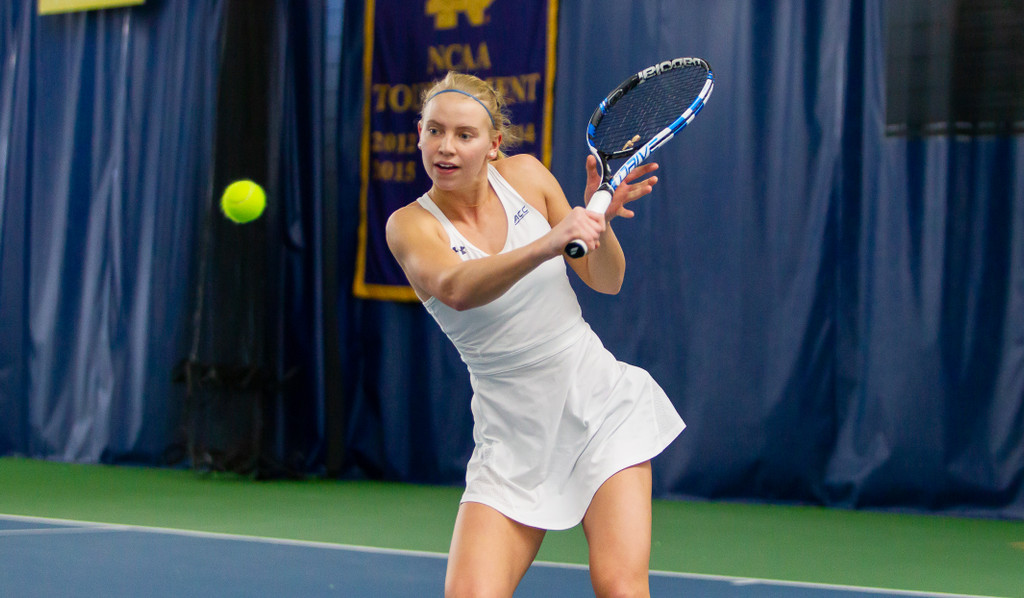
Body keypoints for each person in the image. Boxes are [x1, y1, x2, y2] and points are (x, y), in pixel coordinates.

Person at [385, 71, 685, 598]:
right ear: (418, 134)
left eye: (464, 134)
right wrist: (550, 243)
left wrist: (602, 223)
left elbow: (607, 280)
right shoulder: (410, 225)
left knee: (620, 586)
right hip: (511, 435)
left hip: (599, 407)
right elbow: (456, 287)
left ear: (494, 145)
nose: (445, 147)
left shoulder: (525, 176)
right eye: (434, 131)